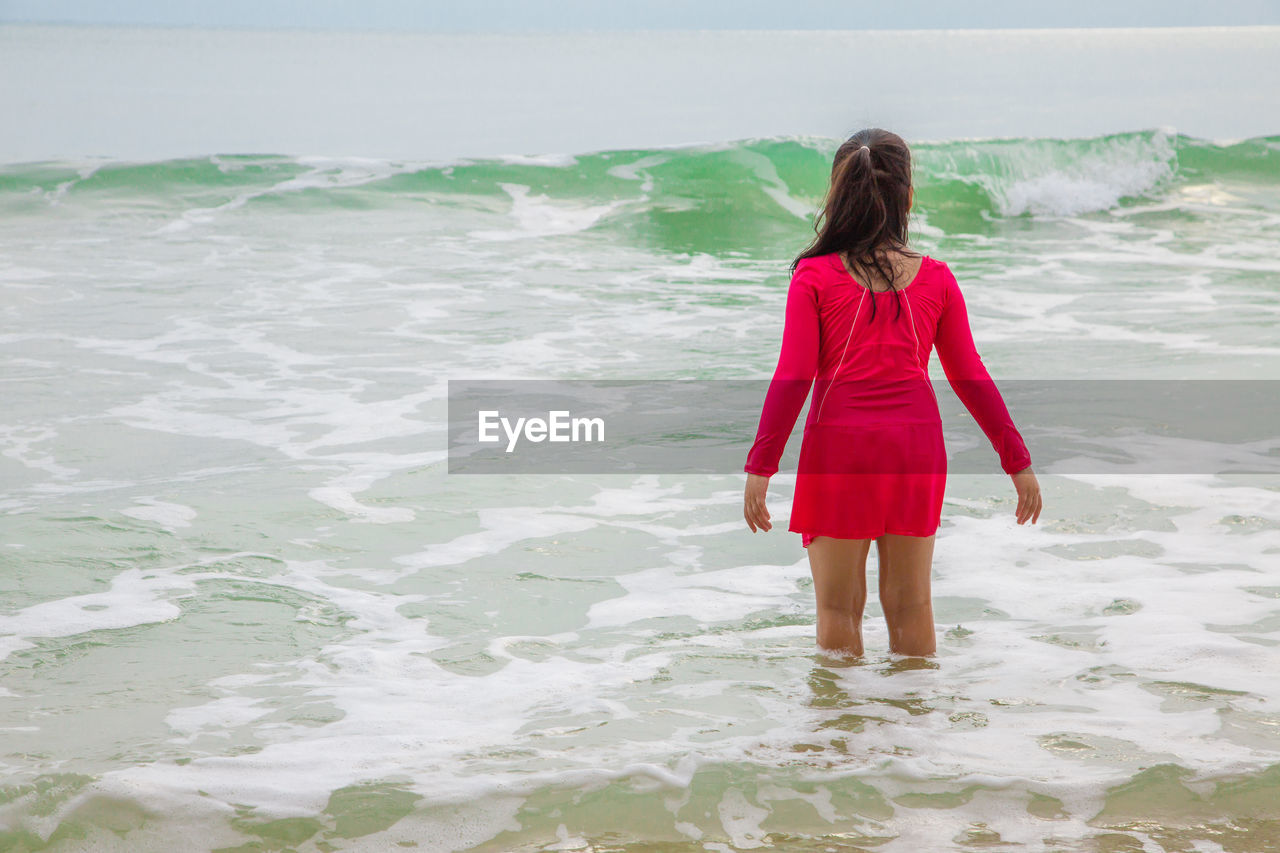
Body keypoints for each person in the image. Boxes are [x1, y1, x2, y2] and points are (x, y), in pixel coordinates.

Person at [742, 128, 1042, 659]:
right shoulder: (937, 278)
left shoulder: (813, 277)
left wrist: (761, 467)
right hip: (914, 450)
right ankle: (910, 733)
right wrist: (1016, 460)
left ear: (837, 197)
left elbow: (793, 376)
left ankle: (841, 734)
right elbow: (970, 374)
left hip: (840, 449)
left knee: (838, 611)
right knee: (912, 608)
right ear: (907, 197)